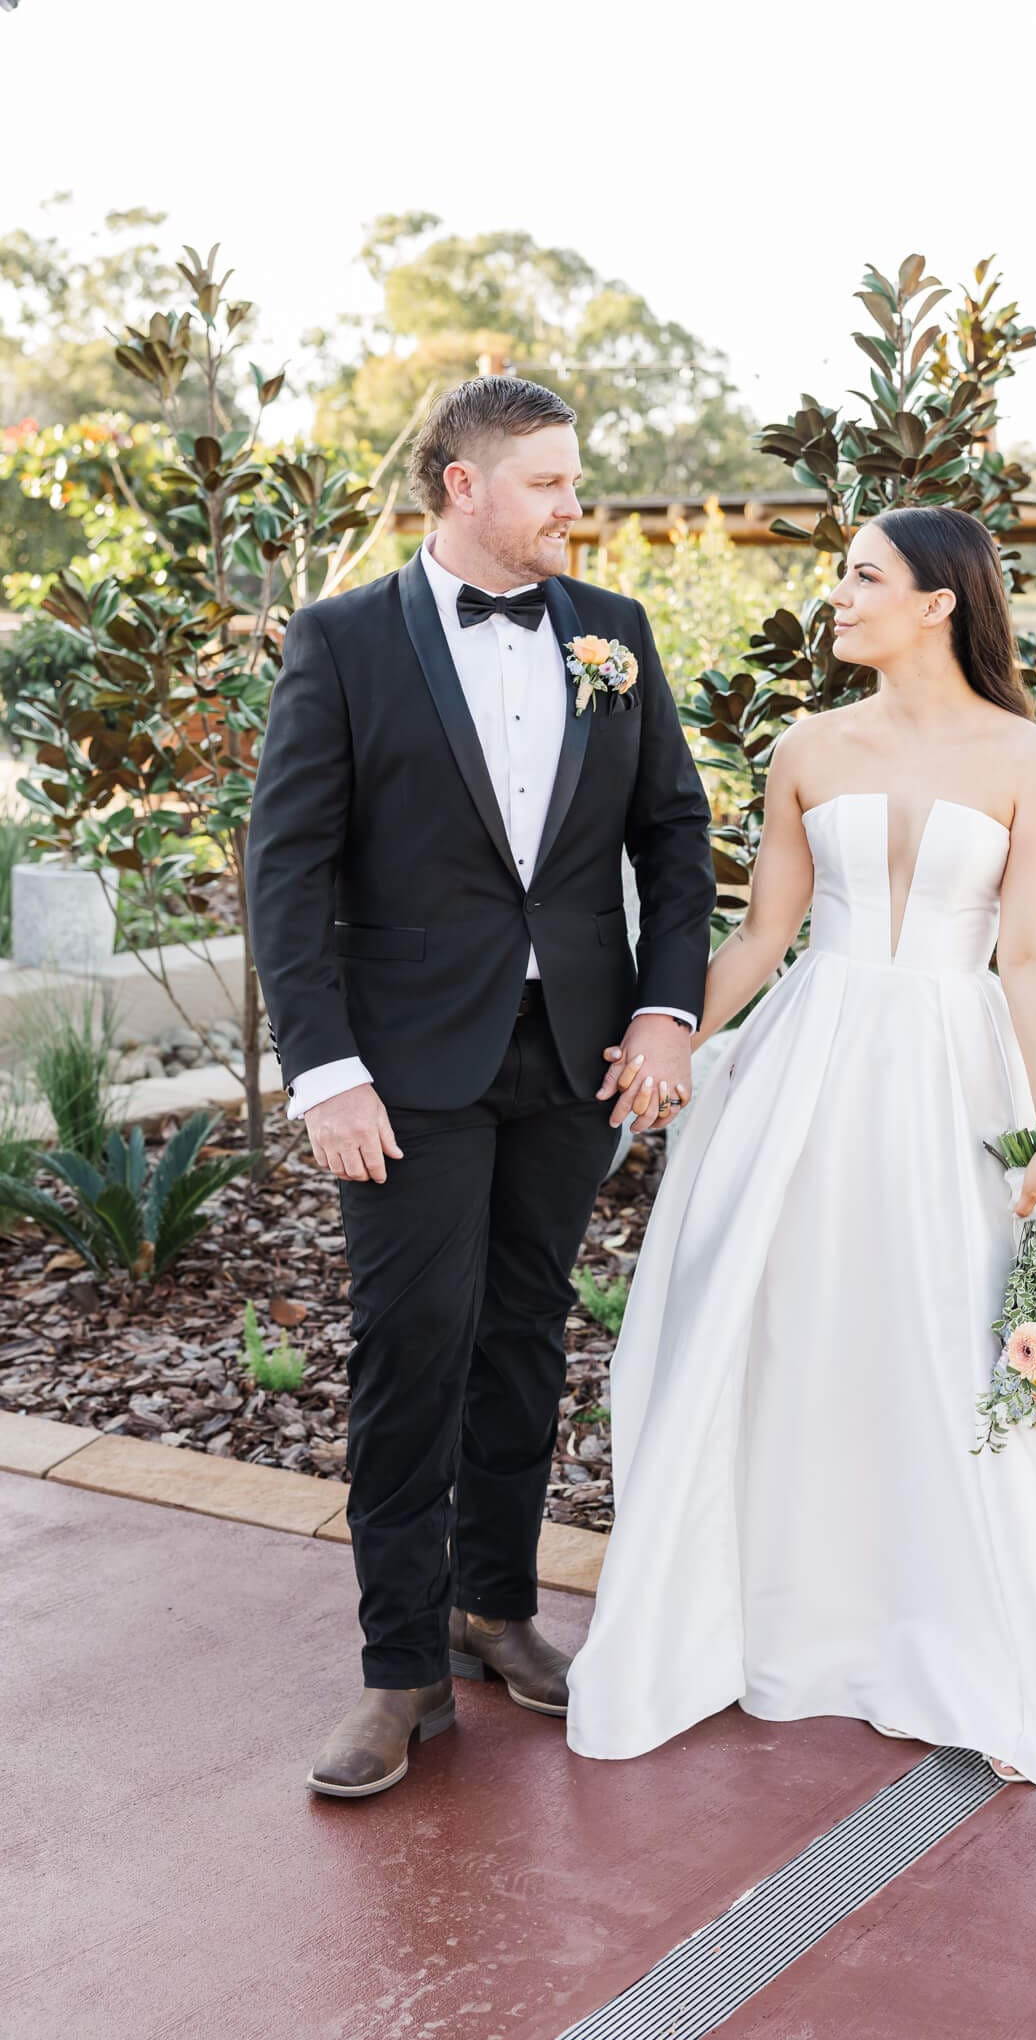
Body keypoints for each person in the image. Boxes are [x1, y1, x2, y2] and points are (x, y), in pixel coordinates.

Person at [567, 505, 1036, 1792]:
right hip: (811, 1065)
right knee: (795, 1325)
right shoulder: (806, 745)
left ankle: (959, 1625)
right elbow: (759, 935)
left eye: (861, 575)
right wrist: (661, 1036)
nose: (835, 596)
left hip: (961, 1075)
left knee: (952, 1330)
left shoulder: (1030, 757)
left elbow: (1030, 954)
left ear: (939, 601)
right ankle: (793, 1613)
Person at [245, 376, 715, 1797]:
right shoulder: (338, 642)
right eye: (551, 484)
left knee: (522, 1337)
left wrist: (664, 1008)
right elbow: (287, 873)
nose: (577, 507)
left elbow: (675, 837)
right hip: (400, 1071)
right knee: (411, 1350)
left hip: (573, 1056)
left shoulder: (614, 637)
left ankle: (491, 1606)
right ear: (463, 486)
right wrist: (324, 1071)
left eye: (575, 482)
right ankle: (397, 1674)